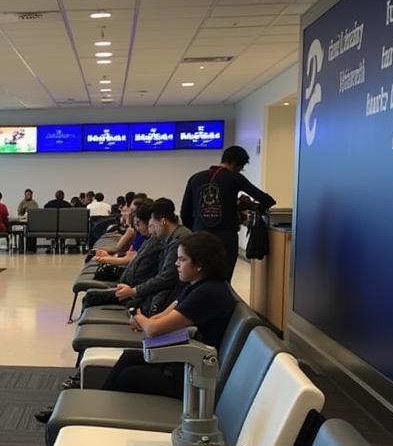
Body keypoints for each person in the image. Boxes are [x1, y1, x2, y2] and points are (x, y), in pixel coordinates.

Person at [100, 232, 236, 397]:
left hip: (193, 378)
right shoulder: (195, 286)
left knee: (130, 376)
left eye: (182, 259)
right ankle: (101, 402)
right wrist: (144, 321)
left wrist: (137, 315)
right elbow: (160, 318)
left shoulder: (207, 293)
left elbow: (153, 329)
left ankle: (107, 411)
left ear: (200, 264)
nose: (176, 263)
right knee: (130, 357)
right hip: (184, 362)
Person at [181, 145, 275, 280]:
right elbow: (267, 200)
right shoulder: (235, 178)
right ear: (236, 164)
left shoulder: (195, 178)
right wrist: (251, 207)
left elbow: (185, 212)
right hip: (225, 238)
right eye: (240, 168)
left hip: (199, 237)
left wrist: (194, 232)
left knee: (199, 278)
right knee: (223, 279)